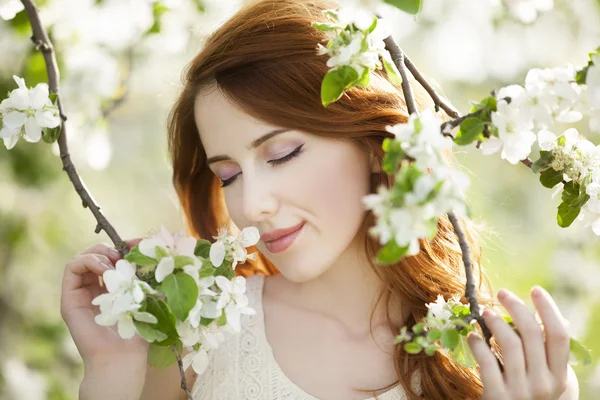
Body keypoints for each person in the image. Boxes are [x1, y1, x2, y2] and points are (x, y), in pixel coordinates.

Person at [60, 0, 580, 399]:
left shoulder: (491, 355)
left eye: (283, 153)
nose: (253, 205)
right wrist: (110, 370)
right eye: (229, 174)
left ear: (377, 145)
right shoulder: (205, 333)